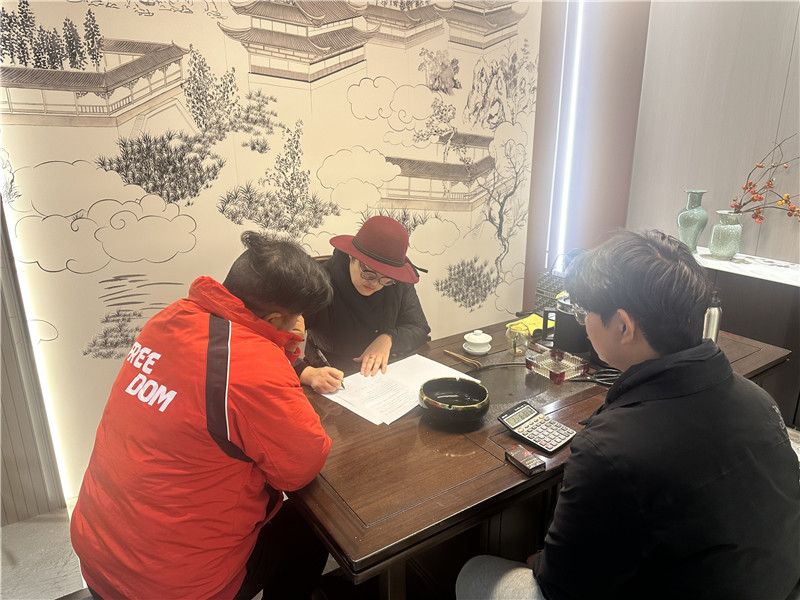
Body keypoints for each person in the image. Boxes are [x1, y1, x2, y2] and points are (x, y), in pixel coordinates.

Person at [456, 230, 800, 600]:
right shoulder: (759, 400)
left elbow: (562, 587)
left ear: (623, 326)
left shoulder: (611, 449)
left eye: (584, 312)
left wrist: (538, 562)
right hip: (773, 585)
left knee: (475, 573)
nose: (583, 321)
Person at [70, 232, 334, 600]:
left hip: (98, 553)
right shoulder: (254, 365)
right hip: (173, 587)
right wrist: (280, 346)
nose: (300, 322)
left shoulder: (170, 317)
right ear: (275, 317)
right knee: (314, 525)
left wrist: (275, 342)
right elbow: (301, 466)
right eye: (297, 315)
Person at [296, 215, 431, 393]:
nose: (375, 284)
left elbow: (420, 327)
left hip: (384, 373)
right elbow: (272, 342)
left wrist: (388, 338)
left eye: (385, 279)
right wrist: (306, 373)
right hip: (329, 374)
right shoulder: (318, 282)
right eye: (368, 273)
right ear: (352, 255)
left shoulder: (396, 281)